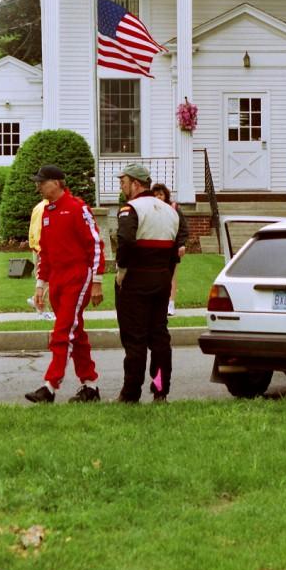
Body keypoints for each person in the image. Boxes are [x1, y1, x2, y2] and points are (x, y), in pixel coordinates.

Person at [25, 164, 105, 404]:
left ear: (57, 182)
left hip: (77, 277)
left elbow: (95, 245)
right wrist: (41, 284)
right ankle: (90, 385)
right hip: (58, 280)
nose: (38, 185)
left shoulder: (77, 208)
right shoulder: (47, 212)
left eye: (42, 181)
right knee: (75, 332)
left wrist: (97, 281)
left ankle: (49, 386)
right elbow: (45, 253)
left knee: (62, 331)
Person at [115, 164, 185, 403]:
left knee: (135, 339)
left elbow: (125, 239)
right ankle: (159, 389)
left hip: (136, 279)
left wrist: (122, 269)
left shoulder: (131, 209)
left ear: (136, 183)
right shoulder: (170, 211)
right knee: (159, 337)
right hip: (161, 278)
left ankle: (131, 392)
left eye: (124, 182)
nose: (122, 187)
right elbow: (176, 250)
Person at [151, 182, 189, 315]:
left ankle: (170, 304)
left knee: (171, 276)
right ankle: (158, 304)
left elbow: (183, 228)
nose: (158, 197)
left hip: (172, 247)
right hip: (156, 248)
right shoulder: (150, 209)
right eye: (155, 195)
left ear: (165, 195)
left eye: (160, 194)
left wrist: (182, 244)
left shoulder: (173, 208)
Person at [26, 197, 54, 320]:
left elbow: (32, 230)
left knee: (45, 280)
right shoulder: (47, 208)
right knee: (46, 281)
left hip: (38, 248)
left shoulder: (38, 206)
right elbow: (39, 230)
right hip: (43, 250)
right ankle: (42, 311)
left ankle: (36, 300)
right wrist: (40, 249)